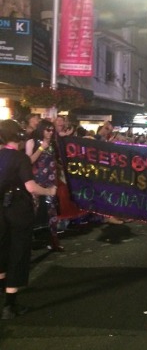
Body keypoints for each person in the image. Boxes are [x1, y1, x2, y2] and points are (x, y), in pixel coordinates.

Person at [0, 119, 57, 319]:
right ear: (19, 136)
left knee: (2, 249)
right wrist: (49, 190)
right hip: (17, 210)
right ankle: (10, 304)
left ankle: (3, 287)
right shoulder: (19, 158)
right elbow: (31, 187)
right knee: (18, 253)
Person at [25, 119, 64, 252]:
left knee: (51, 211)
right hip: (36, 182)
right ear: (41, 129)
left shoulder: (53, 143)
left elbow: (55, 161)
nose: (50, 133)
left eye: (52, 130)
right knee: (33, 210)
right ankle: (27, 242)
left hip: (51, 181)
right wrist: (41, 148)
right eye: (48, 130)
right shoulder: (32, 142)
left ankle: (54, 241)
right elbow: (28, 161)